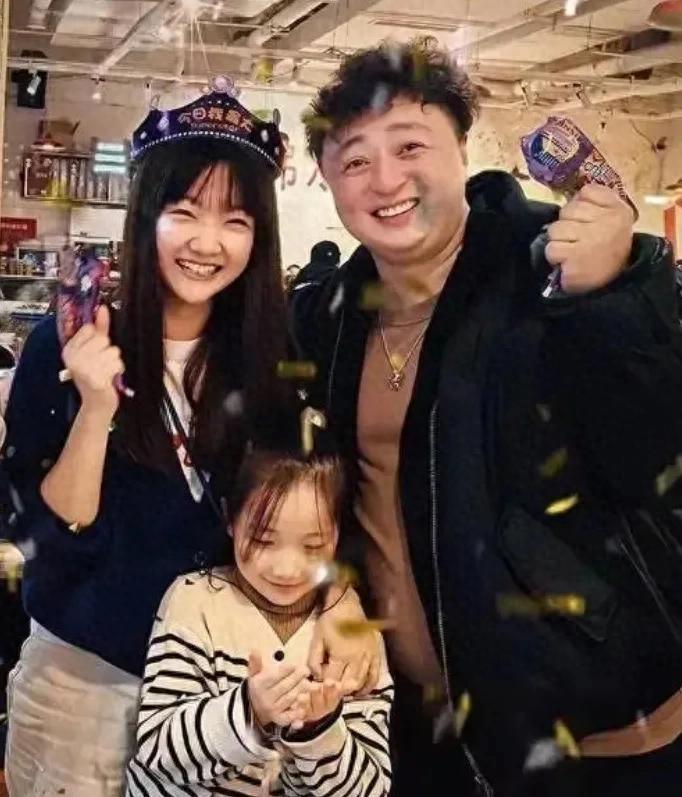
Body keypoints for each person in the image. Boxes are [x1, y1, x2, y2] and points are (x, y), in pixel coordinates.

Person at [292, 41, 682, 797]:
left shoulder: (552, 269)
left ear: (462, 148)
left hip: (597, 742)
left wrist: (609, 295)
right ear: (328, 180)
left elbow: (654, 456)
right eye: (354, 160)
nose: (386, 179)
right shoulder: (331, 319)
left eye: (410, 146)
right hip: (425, 732)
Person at [3, 80, 375, 797]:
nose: (208, 243)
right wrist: (95, 409)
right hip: (87, 686)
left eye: (235, 219)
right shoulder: (69, 343)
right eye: (183, 212)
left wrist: (339, 595)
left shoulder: (275, 358)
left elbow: (312, 502)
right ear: (146, 217)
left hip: (225, 690)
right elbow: (44, 535)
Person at [126, 448, 393, 797]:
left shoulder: (353, 641)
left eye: (312, 546)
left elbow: (371, 790)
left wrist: (319, 733)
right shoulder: (193, 602)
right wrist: (248, 710)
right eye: (264, 541)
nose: (286, 569)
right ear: (230, 519)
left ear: (338, 533)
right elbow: (158, 752)